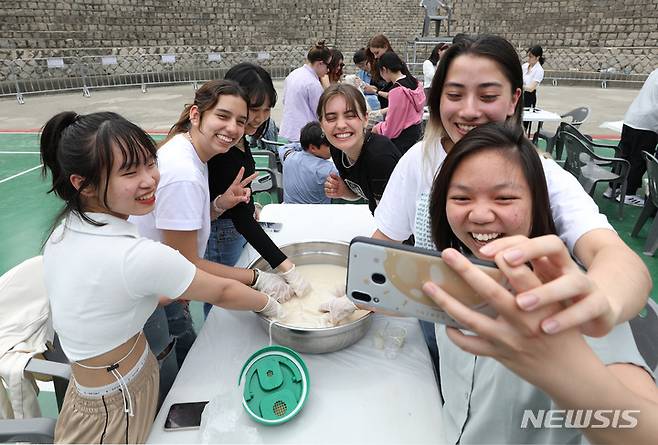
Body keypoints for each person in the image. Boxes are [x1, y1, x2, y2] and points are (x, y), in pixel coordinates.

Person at [373, 34, 650, 347]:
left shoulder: (541, 174)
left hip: (520, 338)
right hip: (437, 326)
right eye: (454, 94)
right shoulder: (419, 160)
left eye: (488, 96)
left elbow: (613, 255)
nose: (469, 111)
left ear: (514, 99)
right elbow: (384, 241)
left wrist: (602, 303)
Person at [39, 111, 282, 443]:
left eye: (150, 163)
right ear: (83, 183)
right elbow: (223, 292)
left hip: (108, 383)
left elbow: (119, 294)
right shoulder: (133, 255)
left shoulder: (67, 229)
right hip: (114, 406)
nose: (149, 180)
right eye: (129, 172)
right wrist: (273, 303)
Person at [421, 122, 658, 444]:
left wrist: (567, 371)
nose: (479, 214)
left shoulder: (565, 298)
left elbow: (642, 430)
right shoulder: (449, 274)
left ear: (538, 204)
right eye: (461, 198)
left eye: (504, 198)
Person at [130, 80, 304, 397]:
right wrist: (258, 280)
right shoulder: (183, 171)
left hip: (162, 282)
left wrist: (220, 205)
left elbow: (177, 226)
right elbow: (186, 266)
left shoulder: (191, 154)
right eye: (223, 116)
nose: (233, 128)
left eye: (240, 120)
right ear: (196, 114)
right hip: (152, 298)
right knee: (177, 378)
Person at [204, 63, 312, 318]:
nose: (260, 117)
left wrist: (250, 205)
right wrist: (286, 267)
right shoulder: (224, 149)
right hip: (222, 230)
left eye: (267, 109)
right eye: (254, 109)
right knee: (221, 297)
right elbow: (239, 218)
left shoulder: (239, 136)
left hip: (234, 222)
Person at [319, 84, 401, 214]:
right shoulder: (337, 150)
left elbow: (394, 219)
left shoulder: (379, 157)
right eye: (331, 118)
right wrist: (343, 191)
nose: (340, 125)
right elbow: (363, 191)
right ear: (322, 124)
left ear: (365, 119)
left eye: (350, 115)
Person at [604, 67, 658, 206]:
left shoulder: (655, 72)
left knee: (624, 155)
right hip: (648, 122)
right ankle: (628, 193)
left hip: (632, 117)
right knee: (638, 160)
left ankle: (612, 187)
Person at [372, 52, 425, 154]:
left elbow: (392, 127)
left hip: (402, 138)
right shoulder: (414, 82)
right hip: (416, 131)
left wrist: (378, 128)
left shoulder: (397, 90)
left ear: (384, 69)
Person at [280, 40, 331, 141]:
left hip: (288, 130)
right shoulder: (313, 83)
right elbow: (320, 112)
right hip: (305, 135)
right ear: (320, 63)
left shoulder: (293, 74)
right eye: (327, 65)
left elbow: (284, 100)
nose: (328, 70)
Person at [277, 121, 337, 204]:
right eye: (329, 145)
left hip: (288, 213)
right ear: (313, 148)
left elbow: (283, 148)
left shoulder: (289, 157)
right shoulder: (328, 169)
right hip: (316, 215)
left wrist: (304, 143)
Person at [364, 34, 395, 108]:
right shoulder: (377, 62)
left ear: (385, 47)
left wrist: (375, 90)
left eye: (377, 52)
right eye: (373, 54)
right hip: (383, 102)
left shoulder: (394, 63)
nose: (375, 56)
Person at [522, 45, 545, 109]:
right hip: (520, 95)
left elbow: (531, 88)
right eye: (528, 56)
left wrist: (518, 86)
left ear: (537, 57)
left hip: (529, 97)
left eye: (531, 57)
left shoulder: (539, 70)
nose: (528, 59)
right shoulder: (524, 66)